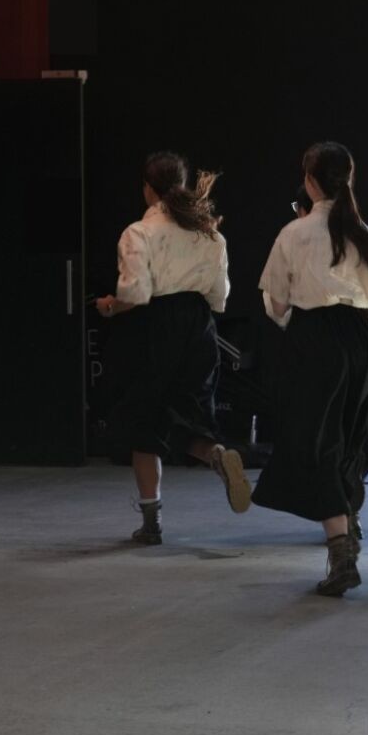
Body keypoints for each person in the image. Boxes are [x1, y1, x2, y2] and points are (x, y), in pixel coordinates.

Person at [254, 143, 368, 596]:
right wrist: (362, 320)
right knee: (355, 433)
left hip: (314, 339)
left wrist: (295, 321)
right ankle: (347, 522)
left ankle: (341, 552)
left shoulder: (295, 233)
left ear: (309, 179)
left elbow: (276, 301)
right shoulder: (365, 232)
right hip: (360, 340)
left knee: (316, 439)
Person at [95, 152, 247, 544]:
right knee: (189, 412)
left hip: (153, 328)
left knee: (145, 423)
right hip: (198, 326)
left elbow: (136, 292)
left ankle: (152, 524)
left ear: (148, 188)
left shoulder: (138, 233)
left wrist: (111, 306)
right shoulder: (211, 234)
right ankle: (215, 454)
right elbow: (220, 296)